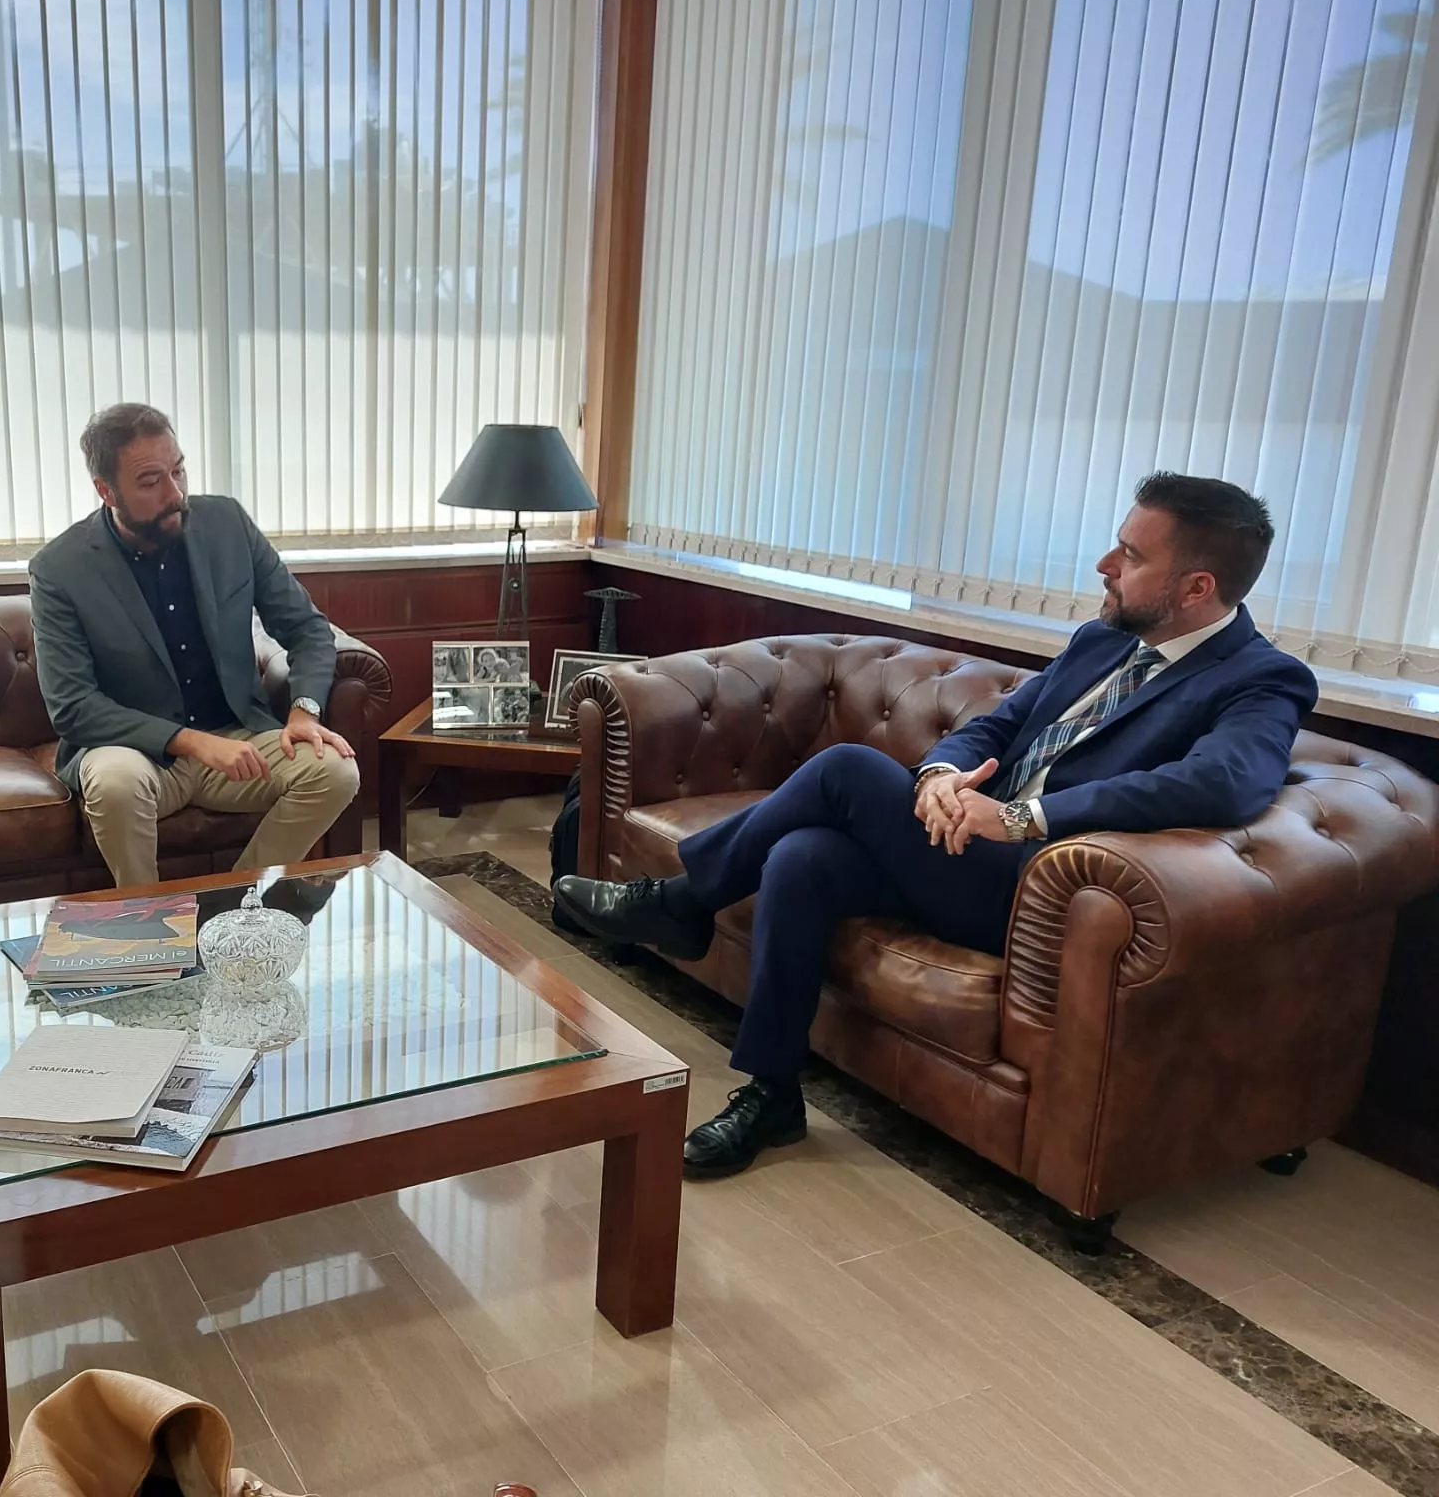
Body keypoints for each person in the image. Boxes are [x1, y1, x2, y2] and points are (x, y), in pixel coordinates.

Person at [554, 473, 1318, 1179]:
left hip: (1041, 894)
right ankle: (772, 1093)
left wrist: (1022, 817)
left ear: (1197, 586)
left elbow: (1227, 780)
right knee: (802, 856)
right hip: (964, 856)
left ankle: (682, 902)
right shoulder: (1104, 643)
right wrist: (941, 777)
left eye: (1130, 552)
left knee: (847, 769)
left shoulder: (1260, 679)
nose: (1104, 563)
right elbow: (998, 724)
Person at [30, 403, 360, 888]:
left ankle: (238, 905)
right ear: (106, 490)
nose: (175, 493)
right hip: (133, 752)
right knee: (116, 784)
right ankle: (149, 927)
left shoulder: (226, 524)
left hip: (237, 735)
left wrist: (304, 712)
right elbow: (73, 707)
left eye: (179, 470)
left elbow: (308, 629)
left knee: (336, 773)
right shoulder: (60, 569)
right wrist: (191, 742)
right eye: (150, 481)